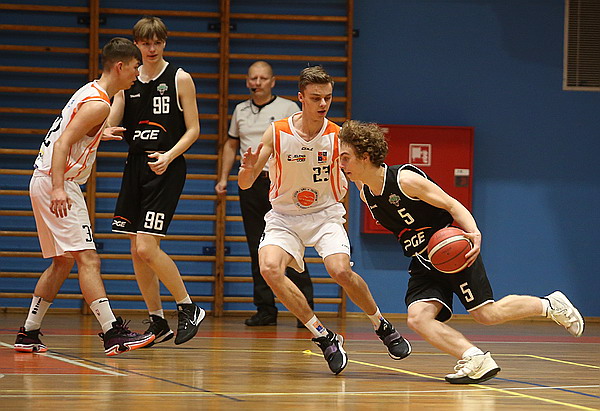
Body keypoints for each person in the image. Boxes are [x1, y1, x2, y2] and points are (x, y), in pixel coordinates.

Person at [338, 120, 585, 384]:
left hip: (450, 250)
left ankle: (550, 305)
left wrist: (474, 233)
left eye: (346, 157)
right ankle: (475, 358)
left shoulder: (405, 180)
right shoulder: (365, 192)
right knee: (418, 319)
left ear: (365, 157)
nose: (341, 164)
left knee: (486, 315)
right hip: (422, 261)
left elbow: (452, 204)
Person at [237, 66, 411, 375]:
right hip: (284, 217)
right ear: (301, 98)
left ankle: (381, 324)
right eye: (316, 97)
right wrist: (247, 169)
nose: (323, 104)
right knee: (269, 269)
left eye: (328, 98)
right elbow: (246, 184)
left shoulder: (338, 137)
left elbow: (360, 176)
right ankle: (323, 336)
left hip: (325, 214)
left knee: (340, 270)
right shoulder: (276, 132)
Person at [14, 37, 155, 356]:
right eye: (135, 67)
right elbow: (63, 144)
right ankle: (112, 332)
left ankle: (29, 332)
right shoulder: (100, 104)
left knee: (62, 262)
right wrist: (59, 188)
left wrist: (99, 133)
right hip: (58, 182)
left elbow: (72, 132)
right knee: (89, 259)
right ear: (120, 66)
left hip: (42, 179)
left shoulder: (90, 91)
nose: (137, 74)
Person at [105, 16, 204, 346]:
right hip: (135, 166)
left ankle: (188, 307)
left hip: (166, 166)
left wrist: (169, 155)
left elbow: (194, 129)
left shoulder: (179, 78)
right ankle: (157, 320)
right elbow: (112, 119)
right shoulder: (128, 81)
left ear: (164, 42)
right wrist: (103, 127)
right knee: (136, 250)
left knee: (147, 247)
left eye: (157, 42)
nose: (151, 48)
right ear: (136, 44)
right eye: (145, 43)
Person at [215, 61, 314, 327]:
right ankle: (265, 309)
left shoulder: (288, 109)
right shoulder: (240, 110)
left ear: (272, 81)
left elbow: (304, 144)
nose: (257, 83)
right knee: (257, 245)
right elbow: (231, 145)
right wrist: (223, 178)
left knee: (292, 245)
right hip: (251, 184)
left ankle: (304, 310)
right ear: (247, 81)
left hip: (281, 185)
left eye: (262, 78)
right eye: (253, 78)